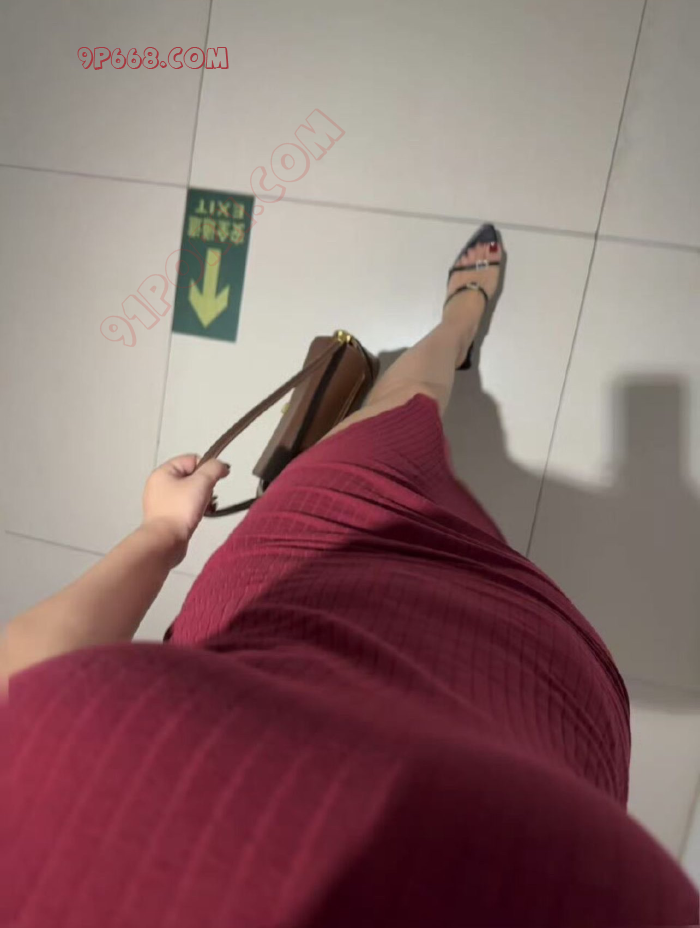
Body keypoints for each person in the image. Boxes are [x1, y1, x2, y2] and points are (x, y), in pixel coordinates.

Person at [4, 225, 698, 928]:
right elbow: (22, 677)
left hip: (524, 705)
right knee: (397, 409)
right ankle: (460, 320)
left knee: (390, 424)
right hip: (364, 623)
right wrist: (161, 531)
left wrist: (163, 533)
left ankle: (456, 332)